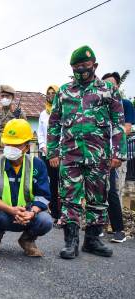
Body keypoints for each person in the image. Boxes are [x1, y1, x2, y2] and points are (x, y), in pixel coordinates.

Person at [47, 45, 126, 259]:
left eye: (85, 66)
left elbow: (119, 123)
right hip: (70, 154)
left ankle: (92, 240)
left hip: (99, 155)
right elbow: (54, 123)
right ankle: (70, 242)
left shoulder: (108, 90)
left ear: (95, 66)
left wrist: (118, 153)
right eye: (76, 67)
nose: (81, 70)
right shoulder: (64, 91)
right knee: (69, 197)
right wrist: (53, 152)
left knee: (98, 198)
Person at [0, 119, 52, 256]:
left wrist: (32, 212)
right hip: (2, 213)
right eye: (8, 143)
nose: (11, 147)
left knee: (45, 220)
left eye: (16, 144)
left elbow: (43, 195)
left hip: (27, 215)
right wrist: (10, 210)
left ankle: (27, 240)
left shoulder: (37, 164)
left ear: (27, 147)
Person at [102, 72, 135, 243]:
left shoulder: (125, 104)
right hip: (98, 154)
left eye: (111, 84)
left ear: (117, 86)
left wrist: (115, 151)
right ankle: (98, 226)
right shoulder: (101, 106)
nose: (108, 87)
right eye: (105, 84)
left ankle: (118, 230)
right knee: (97, 191)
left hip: (116, 154)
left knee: (113, 190)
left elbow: (127, 129)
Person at [37, 85, 61, 226]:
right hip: (47, 154)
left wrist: (57, 151)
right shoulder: (43, 114)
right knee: (51, 183)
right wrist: (44, 147)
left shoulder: (63, 111)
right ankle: (54, 212)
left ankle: (63, 215)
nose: (51, 95)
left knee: (62, 184)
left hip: (61, 154)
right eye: (49, 93)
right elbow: (40, 133)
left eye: (54, 93)